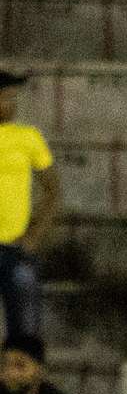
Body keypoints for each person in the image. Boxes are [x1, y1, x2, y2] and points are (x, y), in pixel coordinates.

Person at [0, 71, 57, 346]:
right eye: (6, 97)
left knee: (24, 336)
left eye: (12, 97)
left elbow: (53, 191)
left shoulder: (28, 137)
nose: (12, 104)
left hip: (15, 248)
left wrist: (35, 236)